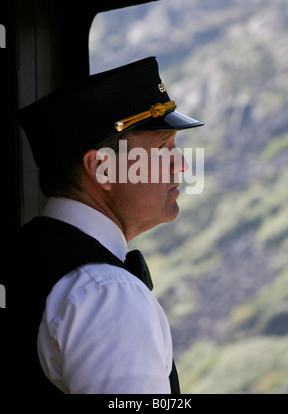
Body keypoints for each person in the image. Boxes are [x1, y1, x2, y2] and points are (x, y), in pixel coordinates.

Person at [8, 56, 203, 394]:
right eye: (162, 147)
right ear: (103, 168)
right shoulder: (107, 293)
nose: (182, 165)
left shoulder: (21, 251)